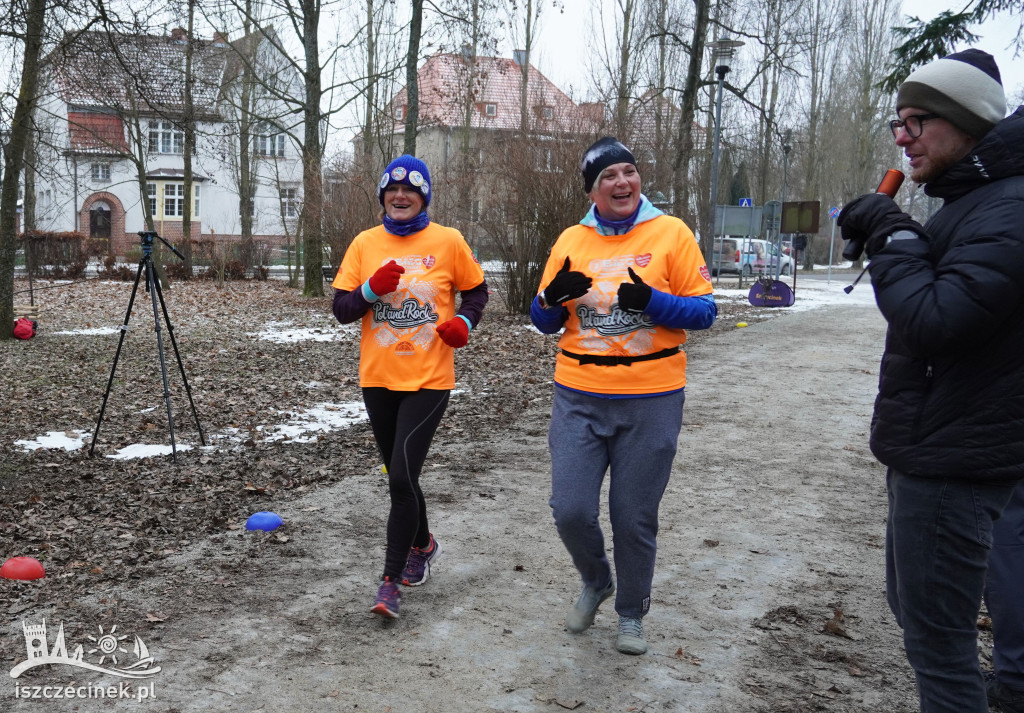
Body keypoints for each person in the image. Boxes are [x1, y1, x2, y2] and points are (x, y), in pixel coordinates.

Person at [837, 49, 1024, 712]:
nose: (901, 137)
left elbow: (937, 318)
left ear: (966, 122)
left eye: (916, 122)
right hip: (936, 447)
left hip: (957, 459)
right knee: (920, 620)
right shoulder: (975, 202)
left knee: (941, 650)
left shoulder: (1008, 208)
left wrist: (891, 233)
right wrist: (902, 233)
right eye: (898, 123)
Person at [530, 137, 716, 655]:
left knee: (633, 516)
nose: (622, 182)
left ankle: (630, 613)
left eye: (629, 172)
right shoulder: (571, 238)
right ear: (592, 189)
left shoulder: (672, 234)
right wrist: (552, 296)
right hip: (578, 395)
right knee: (569, 508)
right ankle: (596, 578)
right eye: (608, 175)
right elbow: (543, 321)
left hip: (651, 397)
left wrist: (652, 301)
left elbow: (704, 313)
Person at [331, 155, 488, 619]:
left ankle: (389, 584)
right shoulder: (364, 244)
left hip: (429, 378)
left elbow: (477, 291)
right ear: (383, 196)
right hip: (378, 378)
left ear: (423, 197)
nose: (400, 196)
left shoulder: (448, 241)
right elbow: (341, 310)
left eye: (411, 190)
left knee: (399, 477)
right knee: (405, 477)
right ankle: (425, 543)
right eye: (392, 190)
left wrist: (463, 321)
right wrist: (369, 292)